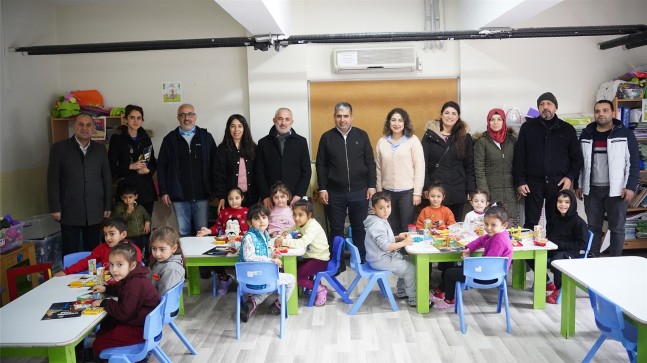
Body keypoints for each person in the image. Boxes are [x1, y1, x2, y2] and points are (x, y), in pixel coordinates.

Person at [576, 99, 640, 257]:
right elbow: (579, 162)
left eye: (605, 110)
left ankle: (615, 261)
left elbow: (633, 163)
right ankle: (593, 259)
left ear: (613, 113)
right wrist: (578, 184)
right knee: (593, 226)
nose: (601, 114)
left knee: (617, 228)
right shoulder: (586, 134)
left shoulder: (625, 134)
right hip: (592, 190)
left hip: (617, 190)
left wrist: (630, 187)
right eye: (597, 111)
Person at [316, 102, 376, 260]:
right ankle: (338, 262)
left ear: (352, 117)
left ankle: (361, 259)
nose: (342, 120)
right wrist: (322, 188)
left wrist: (372, 185)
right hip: (334, 193)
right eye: (339, 116)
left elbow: (370, 162)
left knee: (359, 227)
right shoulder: (326, 137)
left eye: (346, 116)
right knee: (336, 229)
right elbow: (321, 165)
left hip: (360, 191)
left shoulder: (362, 135)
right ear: (334, 117)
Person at [513, 92, 583, 230]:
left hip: (558, 183)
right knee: (531, 222)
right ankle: (531, 251)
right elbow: (519, 157)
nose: (545, 107)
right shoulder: (527, 128)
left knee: (556, 222)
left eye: (549, 104)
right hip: (533, 183)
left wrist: (569, 178)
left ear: (556, 107)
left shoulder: (567, 129)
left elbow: (577, 159)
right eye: (541, 104)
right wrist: (520, 181)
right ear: (538, 108)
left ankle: (553, 252)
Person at [48, 113, 112, 255]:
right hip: (69, 209)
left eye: (89, 125)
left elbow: (106, 179)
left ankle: (93, 277)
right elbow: (53, 180)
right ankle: (69, 276)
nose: (85, 128)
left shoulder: (100, 150)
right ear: (74, 126)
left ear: (93, 128)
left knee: (94, 251)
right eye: (81, 124)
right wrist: (55, 207)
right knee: (70, 250)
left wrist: (107, 205)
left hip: (94, 209)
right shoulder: (59, 148)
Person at [433, 203, 513, 310]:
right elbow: (481, 240)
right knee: (453, 270)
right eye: (486, 224)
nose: (488, 228)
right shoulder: (497, 234)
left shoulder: (498, 240)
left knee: (449, 273)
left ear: (504, 225)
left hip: (487, 276)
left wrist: (469, 261)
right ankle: (440, 292)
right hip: (491, 273)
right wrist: (470, 248)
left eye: (493, 225)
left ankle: (449, 300)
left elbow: (488, 262)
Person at [364, 192, 433, 308]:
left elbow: (384, 240)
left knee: (409, 262)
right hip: (380, 260)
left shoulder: (380, 219)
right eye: (381, 208)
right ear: (373, 209)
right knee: (410, 269)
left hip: (380, 257)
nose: (386, 210)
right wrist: (403, 243)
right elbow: (385, 246)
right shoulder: (377, 224)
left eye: (388, 206)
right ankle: (415, 299)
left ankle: (402, 291)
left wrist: (398, 238)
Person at [157, 104, 217, 237]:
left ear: (195, 117)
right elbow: (161, 166)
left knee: (202, 232)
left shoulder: (206, 137)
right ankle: (186, 258)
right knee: (184, 232)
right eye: (183, 115)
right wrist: (164, 191)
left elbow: (215, 165)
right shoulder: (170, 139)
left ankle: (202, 258)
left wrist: (214, 189)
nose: (186, 118)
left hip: (202, 195)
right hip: (179, 196)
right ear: (178, 118)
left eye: (190, 114)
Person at [91, 243, 160, 355]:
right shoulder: (133, 277)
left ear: (132, 265)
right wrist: (106, 289)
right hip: (141, 323)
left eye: (119, 265)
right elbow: (121, 289)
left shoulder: (134, 285)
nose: (114, 270)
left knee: (98, 344)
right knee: (102, 332)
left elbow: (124, 313)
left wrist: (104, 302)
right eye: (111, 265)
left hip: (140, 329)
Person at [239, 204, 296, 322]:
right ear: (249, 222)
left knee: (271, 281)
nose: (261, 221)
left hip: (257, 276)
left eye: (264, 217)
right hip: (253, 278)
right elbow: (249, 257)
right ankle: (278, 305)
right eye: (256, 218)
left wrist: (272, 255)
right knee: (290, 279)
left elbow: (261, 254)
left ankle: (252, 303)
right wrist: (271, 260)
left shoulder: (263, 234)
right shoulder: (249, 236)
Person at [421, 101, 475, 220]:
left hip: (458, 188)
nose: (450, 116)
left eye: (454, 113)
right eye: (447, 113)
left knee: (455, 227)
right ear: (441, 115)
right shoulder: (430, 136)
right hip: (436, 190)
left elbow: (469, 165)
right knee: (435, 227)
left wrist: (470, 189)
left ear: (458, 117)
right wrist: (426, 187)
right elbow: (422, 164)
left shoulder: (465, 137)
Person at [375, 108, 425, 234]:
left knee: (407, 226)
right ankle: (395, 253)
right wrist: (380, 192)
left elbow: (419, 167)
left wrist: (417, 192)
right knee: (391, 226)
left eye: (400, 120)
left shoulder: (412, 141)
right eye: (393, 120)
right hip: (387, 192)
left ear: (405, 123)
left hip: (407, 193)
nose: (396, 124)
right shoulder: (382, 142)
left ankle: (406, 253)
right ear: (388, 122)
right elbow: (378, 168)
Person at [274, 198, 330, 306]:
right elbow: (293, 228)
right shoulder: (302, 224)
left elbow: (302, 243)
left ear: (309, 215)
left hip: (320, 259)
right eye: (294, 215)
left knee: (296, 278)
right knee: (288, 269)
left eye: (300, 215)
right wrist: (286, 232)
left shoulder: (312, 225)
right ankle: (290, 293)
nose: (296, 218)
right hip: (310, 256)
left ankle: (320, 289)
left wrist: (283, 241)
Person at [255, 108, 311, 209]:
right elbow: (259, 172)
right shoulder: (263, 143)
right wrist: (265, 196)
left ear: (292, 122)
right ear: (274, 120)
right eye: (280, 119)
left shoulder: (301, 142)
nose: (283, 122)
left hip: (294, 199)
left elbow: (306, 171)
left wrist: (299, 194)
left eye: (287, 119)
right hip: (271, 200)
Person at [108, 104, 157, 217]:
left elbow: (153, 162)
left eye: (138, 118)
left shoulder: (146, 138)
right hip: (126, 190)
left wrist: (148, 170)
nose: (135, 121)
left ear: (142, 120)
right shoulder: (117, 138)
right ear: (126, 119)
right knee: (125, 228)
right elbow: (110, 166)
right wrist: (130, 166)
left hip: (146, 190)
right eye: (132, 117)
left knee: (145, 227)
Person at [53, 217, 142, 276]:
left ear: (123, 234)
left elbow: (137, 272)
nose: (107, 238)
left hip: (125, 287)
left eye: (112, 234)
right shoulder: (102, 248)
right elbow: (87, 262)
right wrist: (66, 272)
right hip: (105, 287)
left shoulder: (133, 250)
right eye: (105, 234)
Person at [473, 108, 518, 222]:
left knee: (509, 229)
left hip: (510, 193)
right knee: (492, 226)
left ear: (504, 122)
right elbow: (479, 169)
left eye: (499, 119)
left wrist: (518, 187)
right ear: (488, 122)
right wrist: (484, 194)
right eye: (492, 119)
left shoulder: (512, 140)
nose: (496, 122)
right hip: (491, 193)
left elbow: (518, 166)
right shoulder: (482, 142)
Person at [545, 190, 588, 304]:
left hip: (569, 253)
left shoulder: (579, 222)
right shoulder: (554, 217)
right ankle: (547, 282)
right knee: (531, 255)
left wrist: (559, 245)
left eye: (567, 202)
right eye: (560, 201)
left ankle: (559, 288)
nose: (562, 205)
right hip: (553, 249)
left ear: (572, 203)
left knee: (557, 261)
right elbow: (551, 235)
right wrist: (546, 240)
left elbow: (581, 243)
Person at [213, 114, 258, 212]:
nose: (236, 130)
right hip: (231, 200)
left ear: (244, 128)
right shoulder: (222, 150)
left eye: (240, 126)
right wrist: (221, 196)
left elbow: (259, 173)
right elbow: (218, 175)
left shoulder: (253, 148)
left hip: (252, 199)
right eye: (233, 126)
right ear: (228, 128)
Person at [112, 183, 151, 257]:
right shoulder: (119, 208)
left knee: (141, 254)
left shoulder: (140, 207)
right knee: (129, 255)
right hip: (128, 237)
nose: (128, 200)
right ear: (121, 198)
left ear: (135, 197)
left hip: (141, 236)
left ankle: (141, 265)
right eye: (125, 197)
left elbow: (147, 216)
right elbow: (120, 221)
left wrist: (147, 222)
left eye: (130, 197)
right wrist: (128, 212)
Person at [148, 227, 186, 295]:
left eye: (162, 249)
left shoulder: (172, 269)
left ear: (174, 248)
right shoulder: (159, 261)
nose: (157, 254)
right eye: (154, 248)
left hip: (156, 303)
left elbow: (163, 297)